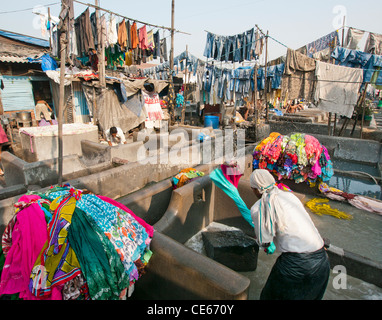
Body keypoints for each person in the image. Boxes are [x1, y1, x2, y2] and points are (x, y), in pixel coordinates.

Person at [249, 169, 330, 300]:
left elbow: (265, 242)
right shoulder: (289, 196)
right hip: (322, 260)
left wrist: (261, 241)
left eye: (253, 189)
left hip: (296, 265)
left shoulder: (259, 207)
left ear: (256, 189)